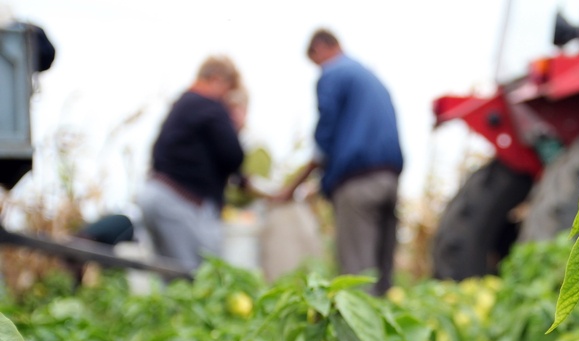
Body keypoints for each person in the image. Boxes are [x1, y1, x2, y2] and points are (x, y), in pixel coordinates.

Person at [274, 29, 404, 295]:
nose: (318, 68)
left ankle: (357, 335)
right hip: (389, 180)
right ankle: (386, 333)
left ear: (321, 49)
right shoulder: (370, 77)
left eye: (315, 61)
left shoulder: (333, 73)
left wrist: (292, 186)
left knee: (357, 277)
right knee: (382, 277)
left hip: (357, 184)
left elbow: (325, 140)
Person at [137, 55, 250, 273]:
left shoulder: (182, 104)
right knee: (197, 277)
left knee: (169, 277)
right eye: (228, 89)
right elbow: (233, 155)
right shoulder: (209, 105)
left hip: (154, 193)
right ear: (217, 80)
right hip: (180, 202)